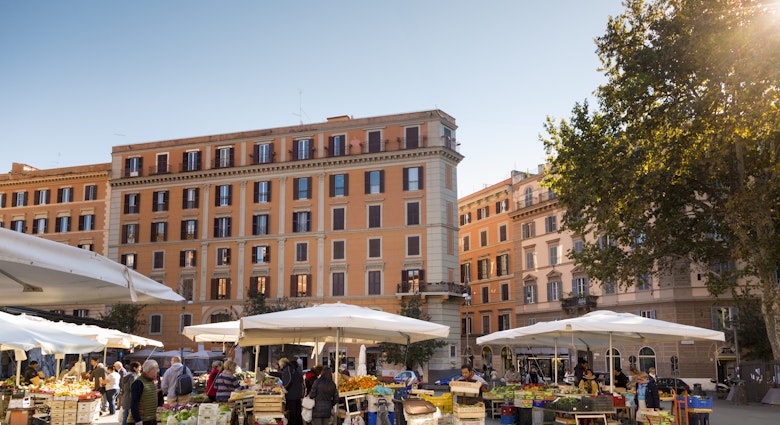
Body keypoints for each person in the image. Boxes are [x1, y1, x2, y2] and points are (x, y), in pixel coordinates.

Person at [129, 359, 160, 425]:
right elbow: (134, 403)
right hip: (141, 421)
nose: (158, 371)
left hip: (150, 419)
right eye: (156, 369)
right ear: (150, 370)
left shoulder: (151, 381)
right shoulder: (138, 383)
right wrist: (138, 420)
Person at [280, 357, 304, 425]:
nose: (280, 366)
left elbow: (288, 381)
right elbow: (301, 380)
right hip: (298, 394)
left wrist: (284, 388)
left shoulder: (287, 370)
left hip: (291, 395)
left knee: (292, 413)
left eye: (280, 365)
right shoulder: (295, 369)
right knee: (298, 413)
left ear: (282, 364)